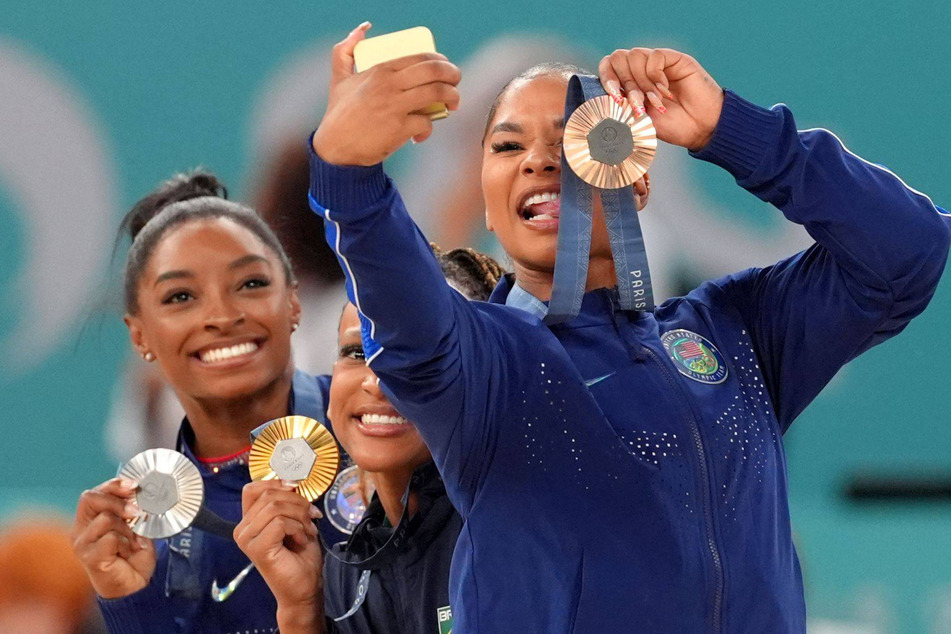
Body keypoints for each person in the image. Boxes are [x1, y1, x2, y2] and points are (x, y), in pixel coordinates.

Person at [306, 23, 951, 633]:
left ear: (635, 177)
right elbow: (403, 306)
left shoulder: (736, 332)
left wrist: (729, 128)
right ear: (488, 203)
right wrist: (348, 173)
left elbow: (907, 250)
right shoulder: (482, 363)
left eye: (569, 140)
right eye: (507, 145)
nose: (537, 160)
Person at [72, 172, 341, 634]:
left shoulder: (378, 433)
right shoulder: (140, 537)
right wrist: (131, 605)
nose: (221, 316)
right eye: (181, 297)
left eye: (251, 284)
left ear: (293, 303)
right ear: (139, 335)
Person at [234, 246, 505, 634]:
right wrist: (299, 609)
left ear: (483, 378)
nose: (377, 382)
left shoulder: (512, 535)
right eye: (357, 353)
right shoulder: (344, 576)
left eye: (417, 357)